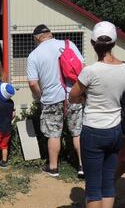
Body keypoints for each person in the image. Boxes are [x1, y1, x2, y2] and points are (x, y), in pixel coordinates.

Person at [70, 21, 125, 208]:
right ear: (114, 43)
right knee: (108, 183)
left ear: (93, 43)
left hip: (94, 130)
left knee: (93, 187)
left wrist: (84, 99)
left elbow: (72, 96)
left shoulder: (90, 71)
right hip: (116, 130)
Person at [27, 24, 84, 177]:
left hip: (51, 98)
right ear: (50, 34)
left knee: (54, 133)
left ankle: (53, 168)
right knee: (77, 131)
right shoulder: (68, 44)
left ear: (37, 38)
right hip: (73, 95)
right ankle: (82, 166)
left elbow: (33, 83)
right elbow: (82, 68)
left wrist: (39, 96)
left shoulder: (34, 55)